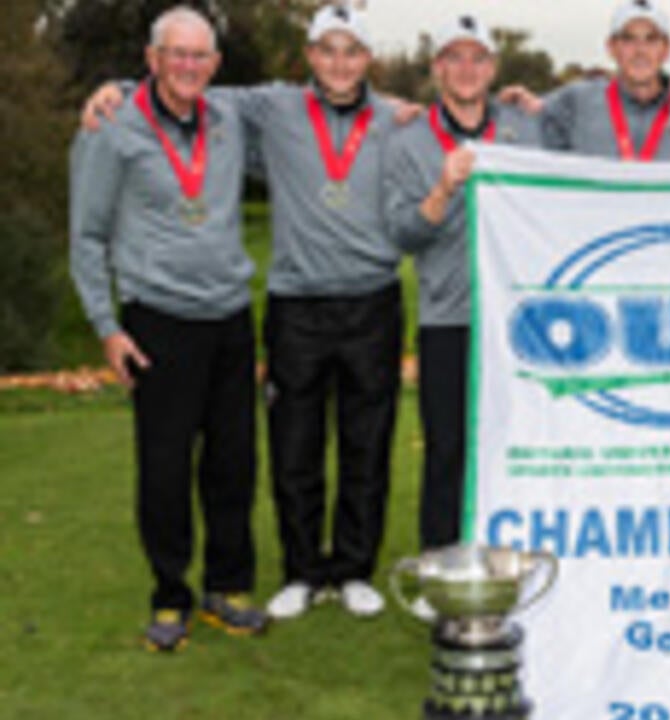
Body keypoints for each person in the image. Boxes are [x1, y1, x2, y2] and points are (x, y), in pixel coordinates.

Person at [80, 4, 407, 621]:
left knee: (356, 445)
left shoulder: (392, 117)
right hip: (282, 304)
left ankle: (351, 568)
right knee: (291, 447)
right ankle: (299, 571)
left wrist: (521, 108)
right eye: (327, 50)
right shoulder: (268, 106)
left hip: (358, 300)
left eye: (352, 51)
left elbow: (459, 125)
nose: (339, 63)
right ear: (309, 57)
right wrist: (119, 88)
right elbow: (177, 84)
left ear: (368, 60)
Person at [69, 6, 267, 652]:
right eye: (175, 54)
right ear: (151, 59)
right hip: (158, 321)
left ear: (215, 64)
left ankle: (227, 587)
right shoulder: (111, 126)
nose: (188, 66)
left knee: (234, 463)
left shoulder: (230, 116)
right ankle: (169, 594)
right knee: (164, 468)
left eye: (200, 55)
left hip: (231, 317)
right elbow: (87, 236)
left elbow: (316, 98)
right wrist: (106, 326)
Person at [382, 15, 540, 617]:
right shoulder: (409, 140)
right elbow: (401, 233)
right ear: (437, 68)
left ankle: (510, 566)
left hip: (516, 322)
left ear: (494, 70)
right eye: (455, 57)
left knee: (512, 447)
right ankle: (439, 570)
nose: (467, 68)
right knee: (447, 450)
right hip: (449, 318)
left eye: (479, 58)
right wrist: (443, 190)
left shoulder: (525, 131)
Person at [537, 0, 670, 160]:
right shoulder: (577, 101)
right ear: (611, 47)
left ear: (667, 49)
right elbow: (531, 122)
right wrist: (514, 108)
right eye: (628, 39)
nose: (640, 50)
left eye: (651, 39)